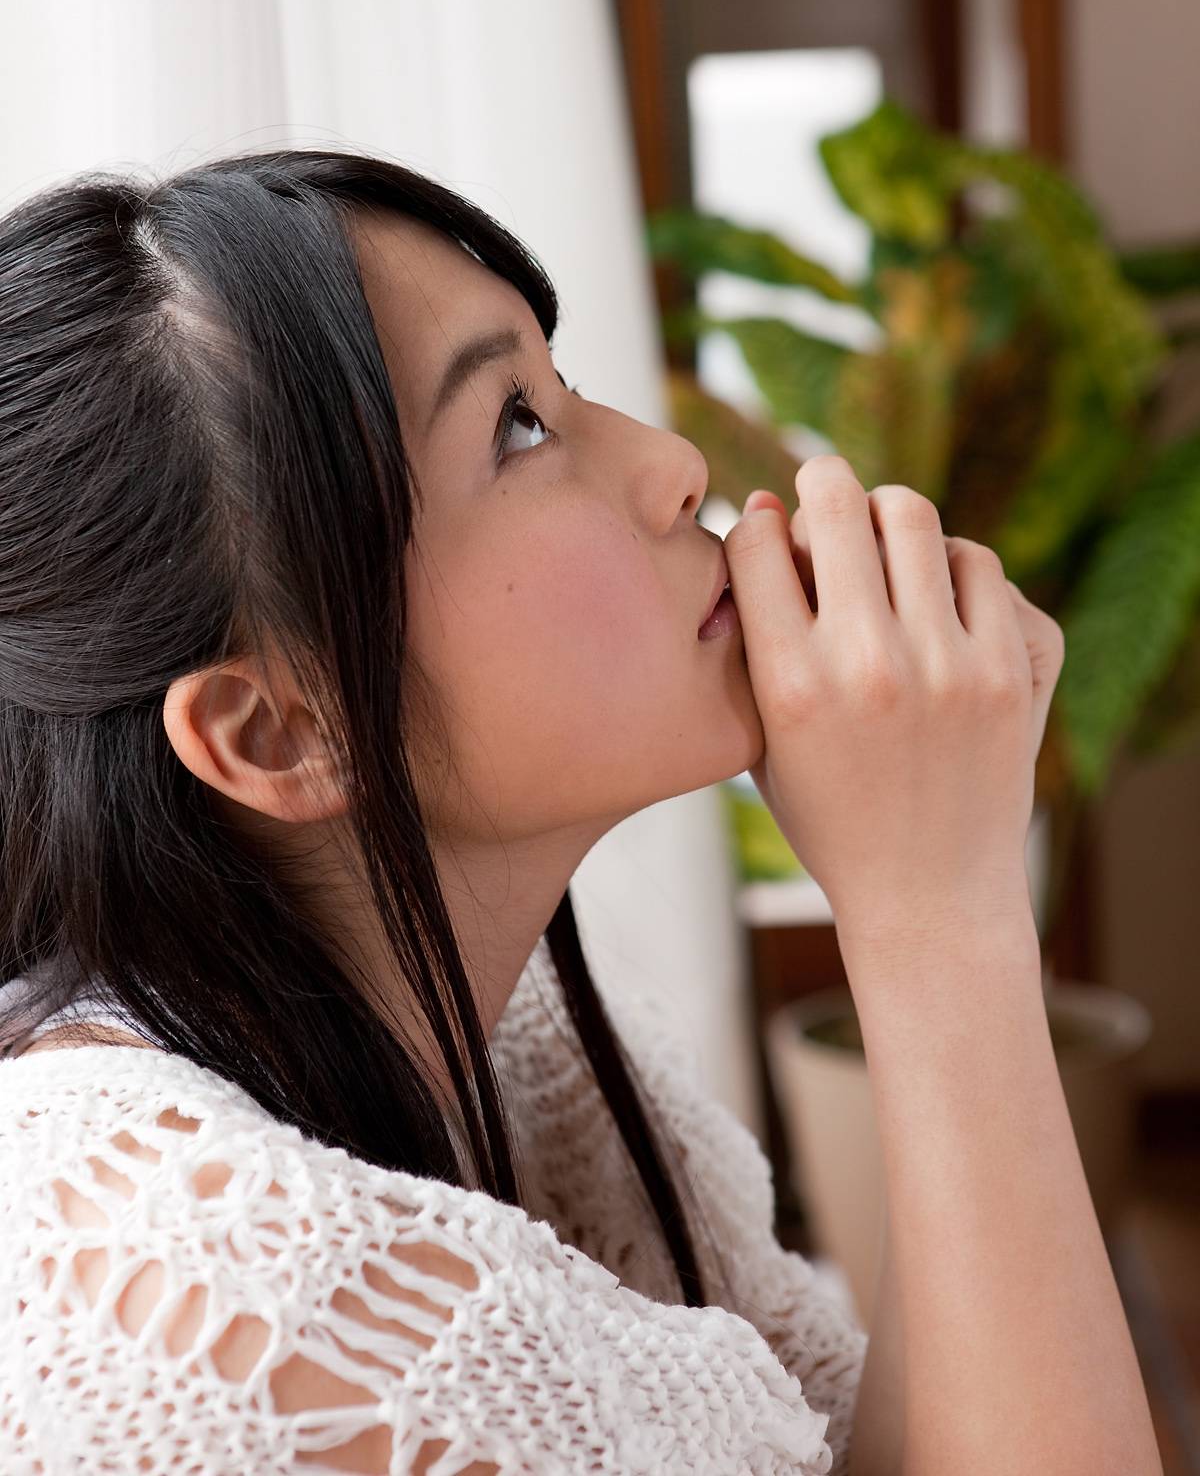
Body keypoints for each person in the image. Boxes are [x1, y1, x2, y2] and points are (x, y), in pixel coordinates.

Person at [0, 149, 1159, 1474]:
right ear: (284, 728)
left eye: (562, 385)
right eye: (516, 426)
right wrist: (937, 914)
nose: (671, 464)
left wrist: (934, 902)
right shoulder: (238, 1310)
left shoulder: (528, 1063)